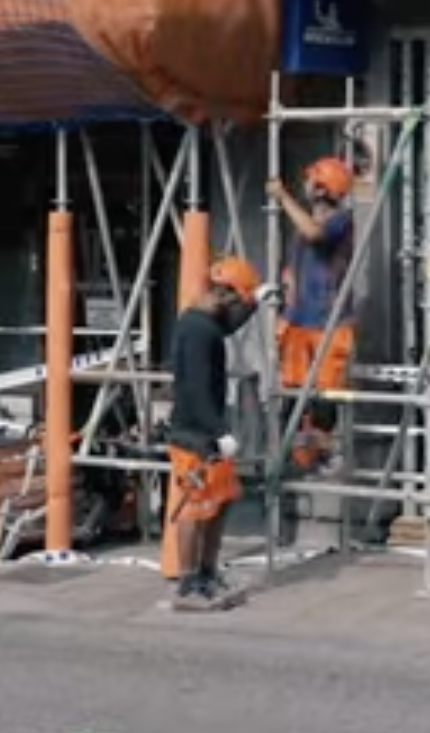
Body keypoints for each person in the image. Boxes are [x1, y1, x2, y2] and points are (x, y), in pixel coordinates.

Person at [168, 254, 274, 612]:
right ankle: (187, 582)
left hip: (208, 432)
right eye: (238, 298)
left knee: (222, 500)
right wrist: (218, 431)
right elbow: (196, 388)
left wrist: (257, 301)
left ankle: (207, 572)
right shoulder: (197, 332)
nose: (237, 306)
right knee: (195, 509)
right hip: (194, 434)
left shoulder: (204, 321)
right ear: (225, 294)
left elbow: (227, 325)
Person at [269, 156, 356, 473]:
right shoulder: (307, 223)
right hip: (299, 321)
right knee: (293, 394)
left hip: (328, 323)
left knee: (324, 398)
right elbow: (294, 268)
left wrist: (282, 198)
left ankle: (324, 455)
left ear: (321, 188)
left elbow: (314, 234)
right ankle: (295, 458)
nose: (304, 184)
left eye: (310, 179)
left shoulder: (341, 220)